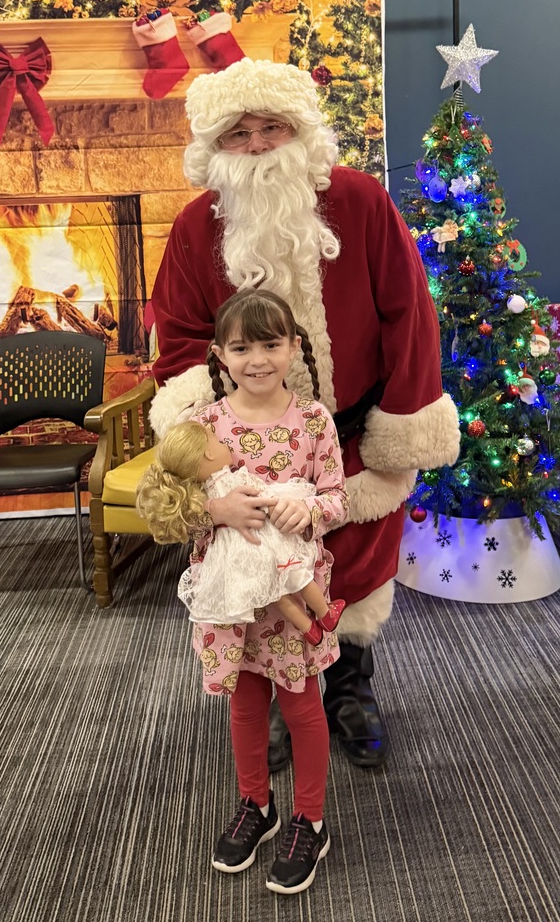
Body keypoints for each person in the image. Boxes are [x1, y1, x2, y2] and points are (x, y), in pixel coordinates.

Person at [149, 58, 461, 770]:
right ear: (215, 146)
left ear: (301, 130)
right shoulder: (196, 226)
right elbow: (180, 336)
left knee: (354, 566)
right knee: (265, 571)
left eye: (272, 127)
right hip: (249, 450)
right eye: (239, 133)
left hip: (352, 433)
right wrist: (206, 442)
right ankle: (280, 691)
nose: (258, 145)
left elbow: (408, 312)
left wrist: (401, 421)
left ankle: (350, 687)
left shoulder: (359, 200)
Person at [144, 288, 350, 895]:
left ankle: (310, 819)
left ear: (293, 347)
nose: (257, 359)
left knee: (302, 706)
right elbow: (166, 505)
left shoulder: (314, 421)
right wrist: (218, 510)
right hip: (232, 599)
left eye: (270, 344)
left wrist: (308, 512)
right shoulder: (202, 426)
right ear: (220, 356)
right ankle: (256, 804)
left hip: (291, 597)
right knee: (245, 703)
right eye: (241, 348)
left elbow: (338, 498)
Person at [136, 417, 347, 642]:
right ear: (209, 453)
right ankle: (326, 614)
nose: (224, 444)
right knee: (297, 575)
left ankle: (308, 628)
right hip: (263, 543)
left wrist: (213, 510)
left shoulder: (199, 492)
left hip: (236, 560)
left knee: (276, 594)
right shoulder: (233, 476)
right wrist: (278, 503)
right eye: (218, 441)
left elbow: (186, 518)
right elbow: (261, 496)